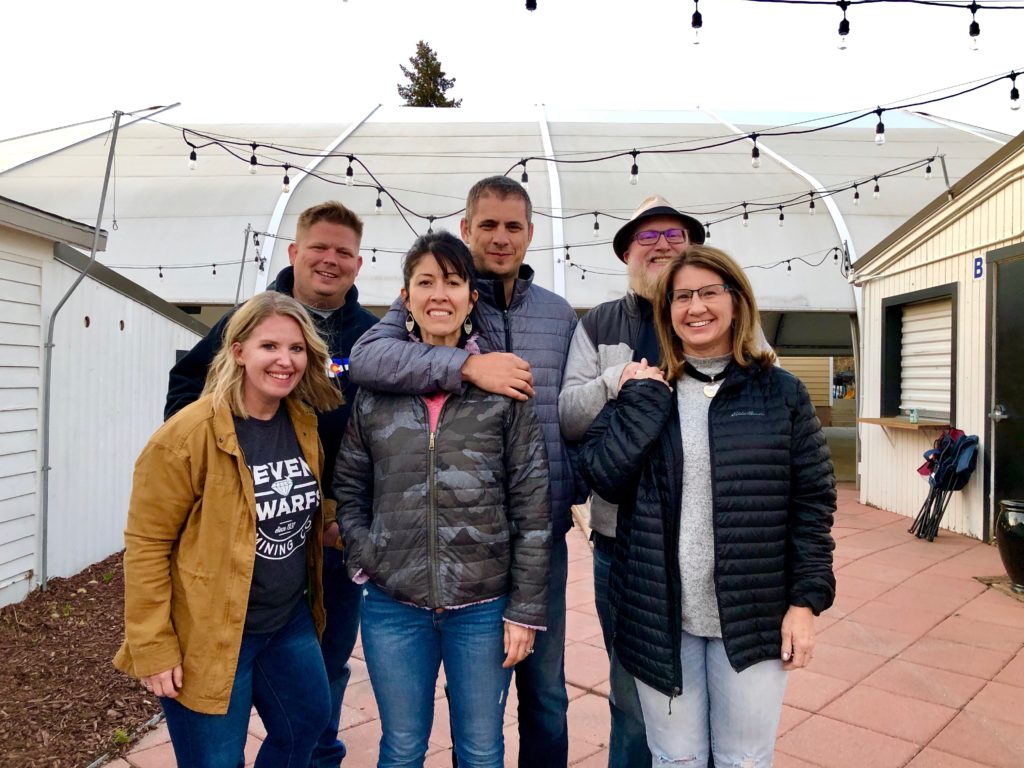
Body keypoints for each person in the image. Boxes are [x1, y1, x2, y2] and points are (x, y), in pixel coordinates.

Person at [578, 246, 836, 768]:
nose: (695, 307)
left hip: (753, 614)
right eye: (682, 297)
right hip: (659, 614)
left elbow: (813, 503)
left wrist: (805, 604)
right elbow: (602, 477)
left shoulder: (781, 394)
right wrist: (642, 404)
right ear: (667, 312)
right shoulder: (648, 391)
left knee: (743, 759)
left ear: (737, 303)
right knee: (676, 758)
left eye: (709, 292)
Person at [348, 177, 576, 767]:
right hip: (406, 571)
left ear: (530, 235)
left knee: (542, 699)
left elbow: (573, 410)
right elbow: (368, 364)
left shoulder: (558, 315)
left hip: (525, 547)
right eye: (488, 226)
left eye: (513, 226)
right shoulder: (397, 339)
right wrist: (469, 368)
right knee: (408, 739)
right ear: (468, 228)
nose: (500, 238)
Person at [164, 201, 377, 766]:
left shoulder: (372, 337)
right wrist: (217, 464)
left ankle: (317, 757)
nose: (330, 260)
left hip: (324, 538)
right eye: (319, 248)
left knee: (321, 676)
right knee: (235, 678)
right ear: (294, 252)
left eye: (343, 252)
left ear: (359, 263)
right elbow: (188, 384)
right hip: (238, 540)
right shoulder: (247, 319)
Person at [115, 292, 343, 767]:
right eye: (270, 347)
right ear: (238, 350)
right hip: (211, 631)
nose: (286, 360)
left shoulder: (301, 423)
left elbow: (299, 504)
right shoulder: (186, 435)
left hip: (286, 621)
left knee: (306, 728)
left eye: (297, 349)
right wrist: (153, 647)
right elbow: (146, 546)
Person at [558, 194, 704, 768]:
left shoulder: (720, 312)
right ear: (626, 253)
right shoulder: (600, 324)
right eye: (648, 237)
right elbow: (569, 413)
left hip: (705, 539)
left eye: (674, 235)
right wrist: (617, 378)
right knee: (631, 697)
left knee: (705, 690)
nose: (663, 245)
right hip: (620, 542)